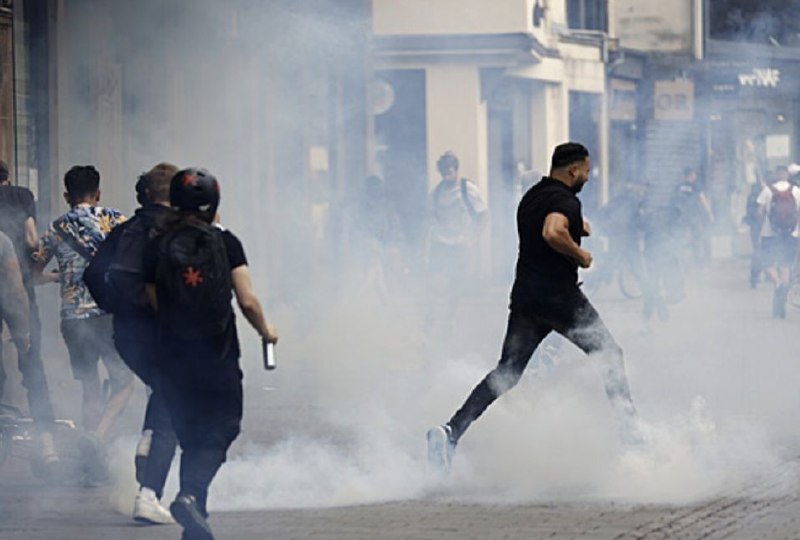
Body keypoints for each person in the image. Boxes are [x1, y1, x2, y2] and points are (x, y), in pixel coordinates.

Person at [426, 143, 640, 471]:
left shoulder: (533, 197)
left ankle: (450, 431)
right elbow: (553, 231)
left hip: (527, 297)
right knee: (610, 354)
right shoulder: (565, 200)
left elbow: (551, 223)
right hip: (560, 298)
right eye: (585, 170)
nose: (587, 176)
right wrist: (580, 254)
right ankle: (632, 438)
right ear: (573, 170)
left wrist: (578, 226)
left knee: (507, 373)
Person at [143, 168, 278, 540]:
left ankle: (195, 517)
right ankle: (189, 496)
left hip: (172, 358)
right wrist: (267, 331)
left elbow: (153, 300)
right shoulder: (226, 242)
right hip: (217, 356)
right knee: (221, 429)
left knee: (190, 436)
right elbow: (247, 300)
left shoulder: (157, 243)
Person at [84, 163, 179, 523]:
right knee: (174, 403)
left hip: (126, 333)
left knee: (162, 390)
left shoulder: (124, 231)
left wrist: (113, 305)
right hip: (167, 333)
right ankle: (149, 494)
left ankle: (148, 442)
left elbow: (92, 273)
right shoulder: (181, 231)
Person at [32, 165, 135, 484]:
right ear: (98, 193)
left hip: (73, 317)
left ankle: (90, 465)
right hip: (109, 314)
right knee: (124, 382)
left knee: (89, 387)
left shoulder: (55, 229)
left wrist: (60, 277)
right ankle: (98, 439)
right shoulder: (117, 220)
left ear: (67, 195)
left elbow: (33, 274)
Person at [0, 159, 59, 469]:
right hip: (18, 285)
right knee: (33, 366)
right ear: (7, 178)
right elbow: (33, 240)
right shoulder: (21, 196)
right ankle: (48, 446)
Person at [424, 151, 487, 337]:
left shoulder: (468, 190)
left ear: (456, 170)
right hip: (441, 242)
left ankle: (449, 319)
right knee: (435, 281)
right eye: (444, 172)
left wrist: (474, 239)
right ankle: (432, 317)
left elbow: (483, 215)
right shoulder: (436, 193)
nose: (447, 175)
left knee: (455, 285)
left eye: (450, 170)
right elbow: (430, 219)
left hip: (460, 244)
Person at [755, 166, 800, 318]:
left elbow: (759, 211)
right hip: (791, 233)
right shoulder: (796, 191)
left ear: (776, 174)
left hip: (769, 233)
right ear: (786, 175)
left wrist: (761, 225)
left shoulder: (768, 190)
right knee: (786, 265)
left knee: (767, 263)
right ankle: (784, 287)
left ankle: (778, 283)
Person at [671, 166, 714, 270]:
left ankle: (681, 264)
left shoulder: (678, 187)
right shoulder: (696, 186)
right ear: (691, 175)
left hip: (680, 218)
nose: (696, 176)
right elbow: (703, 201)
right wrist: (710, 214)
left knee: (680, 240)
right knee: (697, 240)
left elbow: (673, 202)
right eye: (694, 174)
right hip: (693, 217)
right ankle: (698, 264)